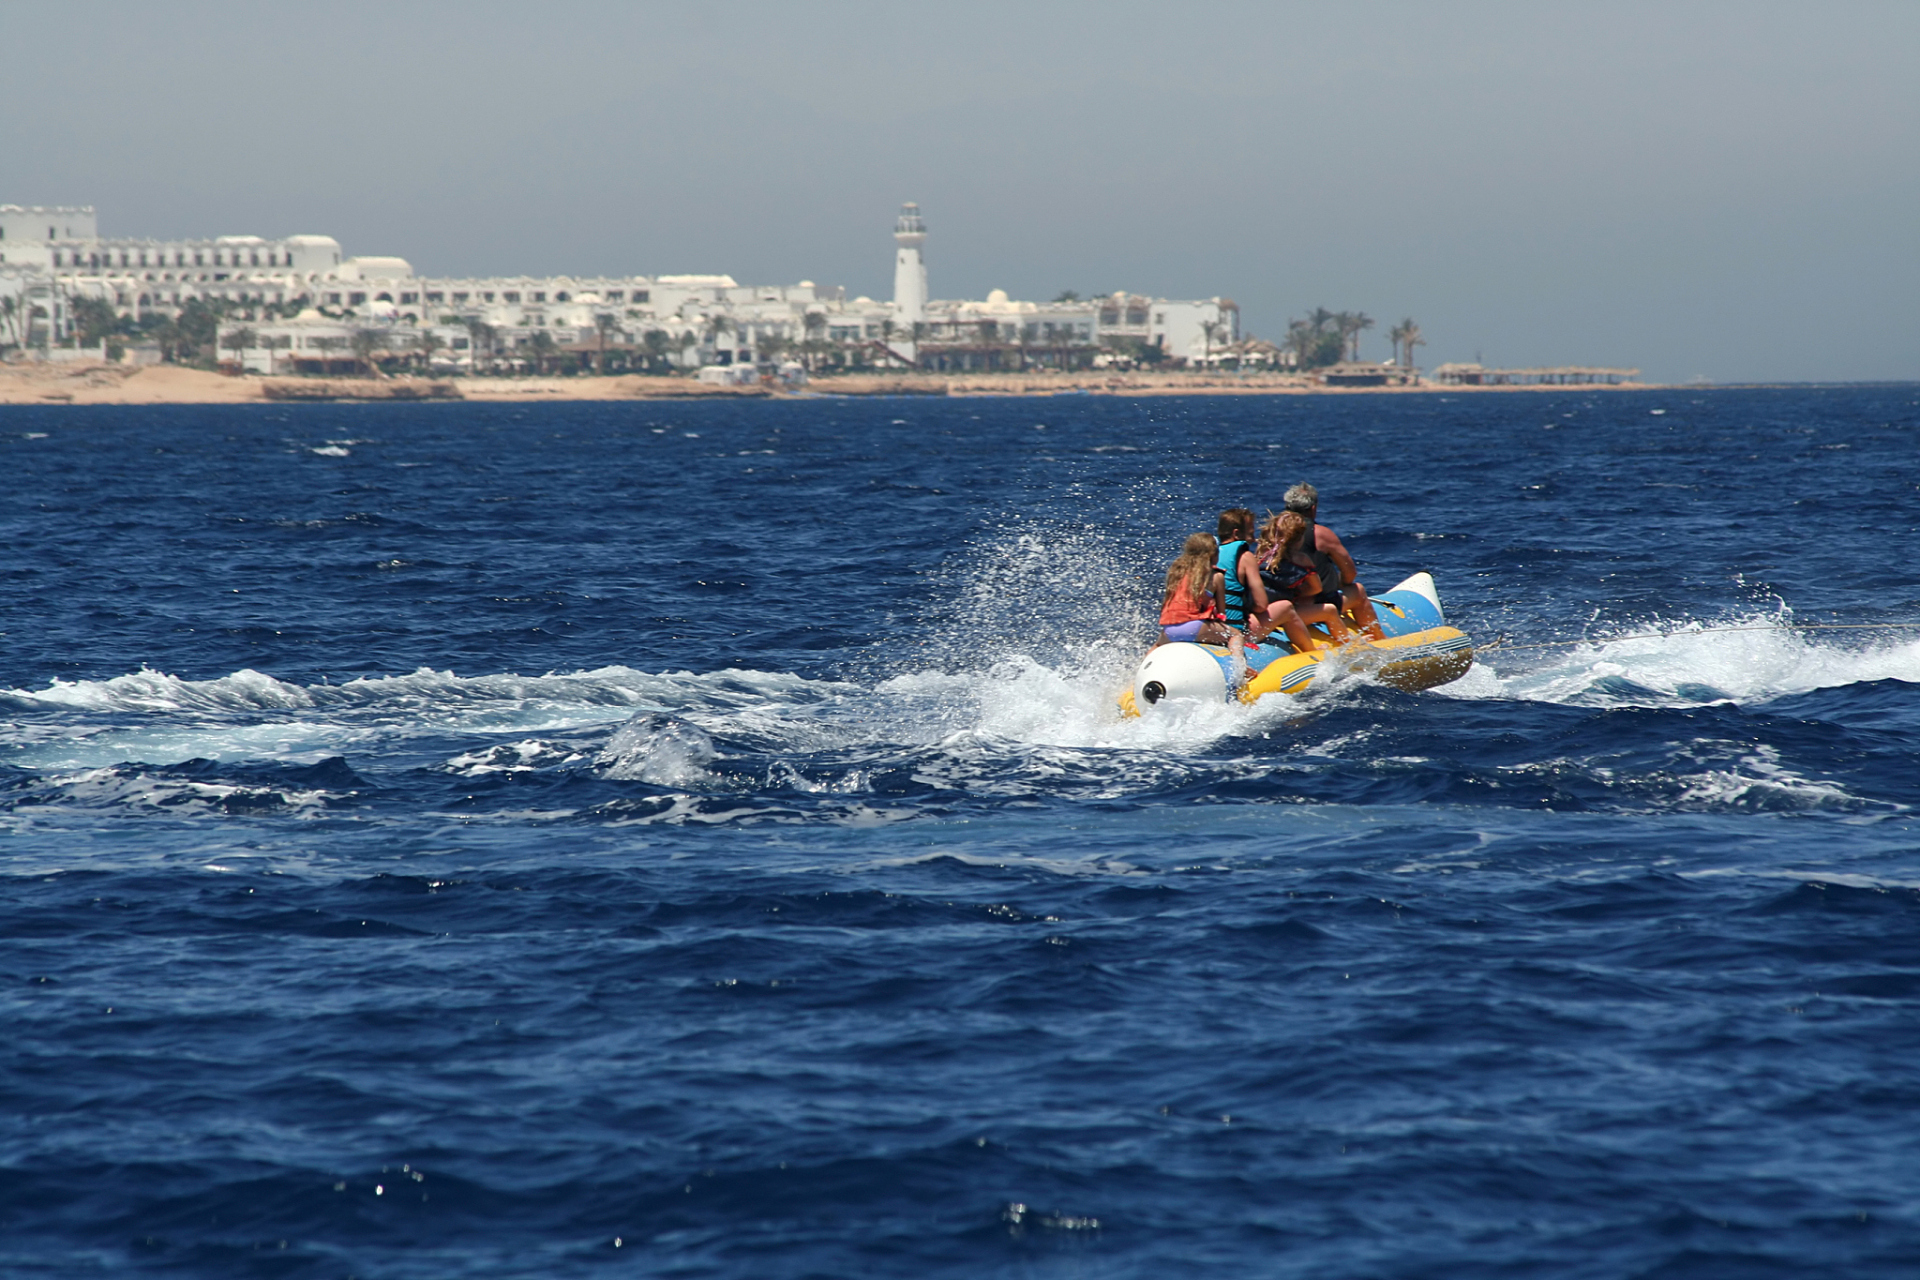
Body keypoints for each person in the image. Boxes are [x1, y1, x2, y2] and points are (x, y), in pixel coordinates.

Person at [1282, 482, 1383, 640]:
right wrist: (1340, 583)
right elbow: (1350, 573)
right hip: (1313, 605)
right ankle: (1380, 640)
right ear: (1313, 508)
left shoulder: (1271, 532)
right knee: (1358, 590)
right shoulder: (1321, 534)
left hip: (1279, 604)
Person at [1256, 510, 1351, 643]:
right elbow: (1316, 588)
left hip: (1261, 612)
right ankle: (1348, 644)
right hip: (1284, 614)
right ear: (1300, 538)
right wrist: (1298, 593)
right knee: (1330, 610)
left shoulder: (1261, 553)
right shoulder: (1301, 560)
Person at [1157, 533, 1246, 660]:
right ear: (1214, 555)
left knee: (1156, 645)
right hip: (1195, 627)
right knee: (1235, 635)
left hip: (1170, 630)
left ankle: (1138, 674)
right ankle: (1240, 667)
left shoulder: (1177, 573)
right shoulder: (1216, 576)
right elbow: (1222, 614)